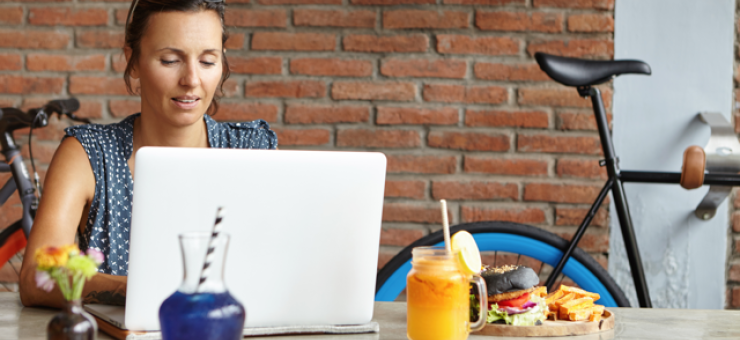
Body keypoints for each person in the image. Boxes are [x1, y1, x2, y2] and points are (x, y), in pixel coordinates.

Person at [19, 0, 277, 308]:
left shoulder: (252, 150)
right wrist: (147, 291)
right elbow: (37, 277)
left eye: (208, 62)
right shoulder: (88, 155)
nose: (192, 80)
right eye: (170, 60)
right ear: (134, 61)